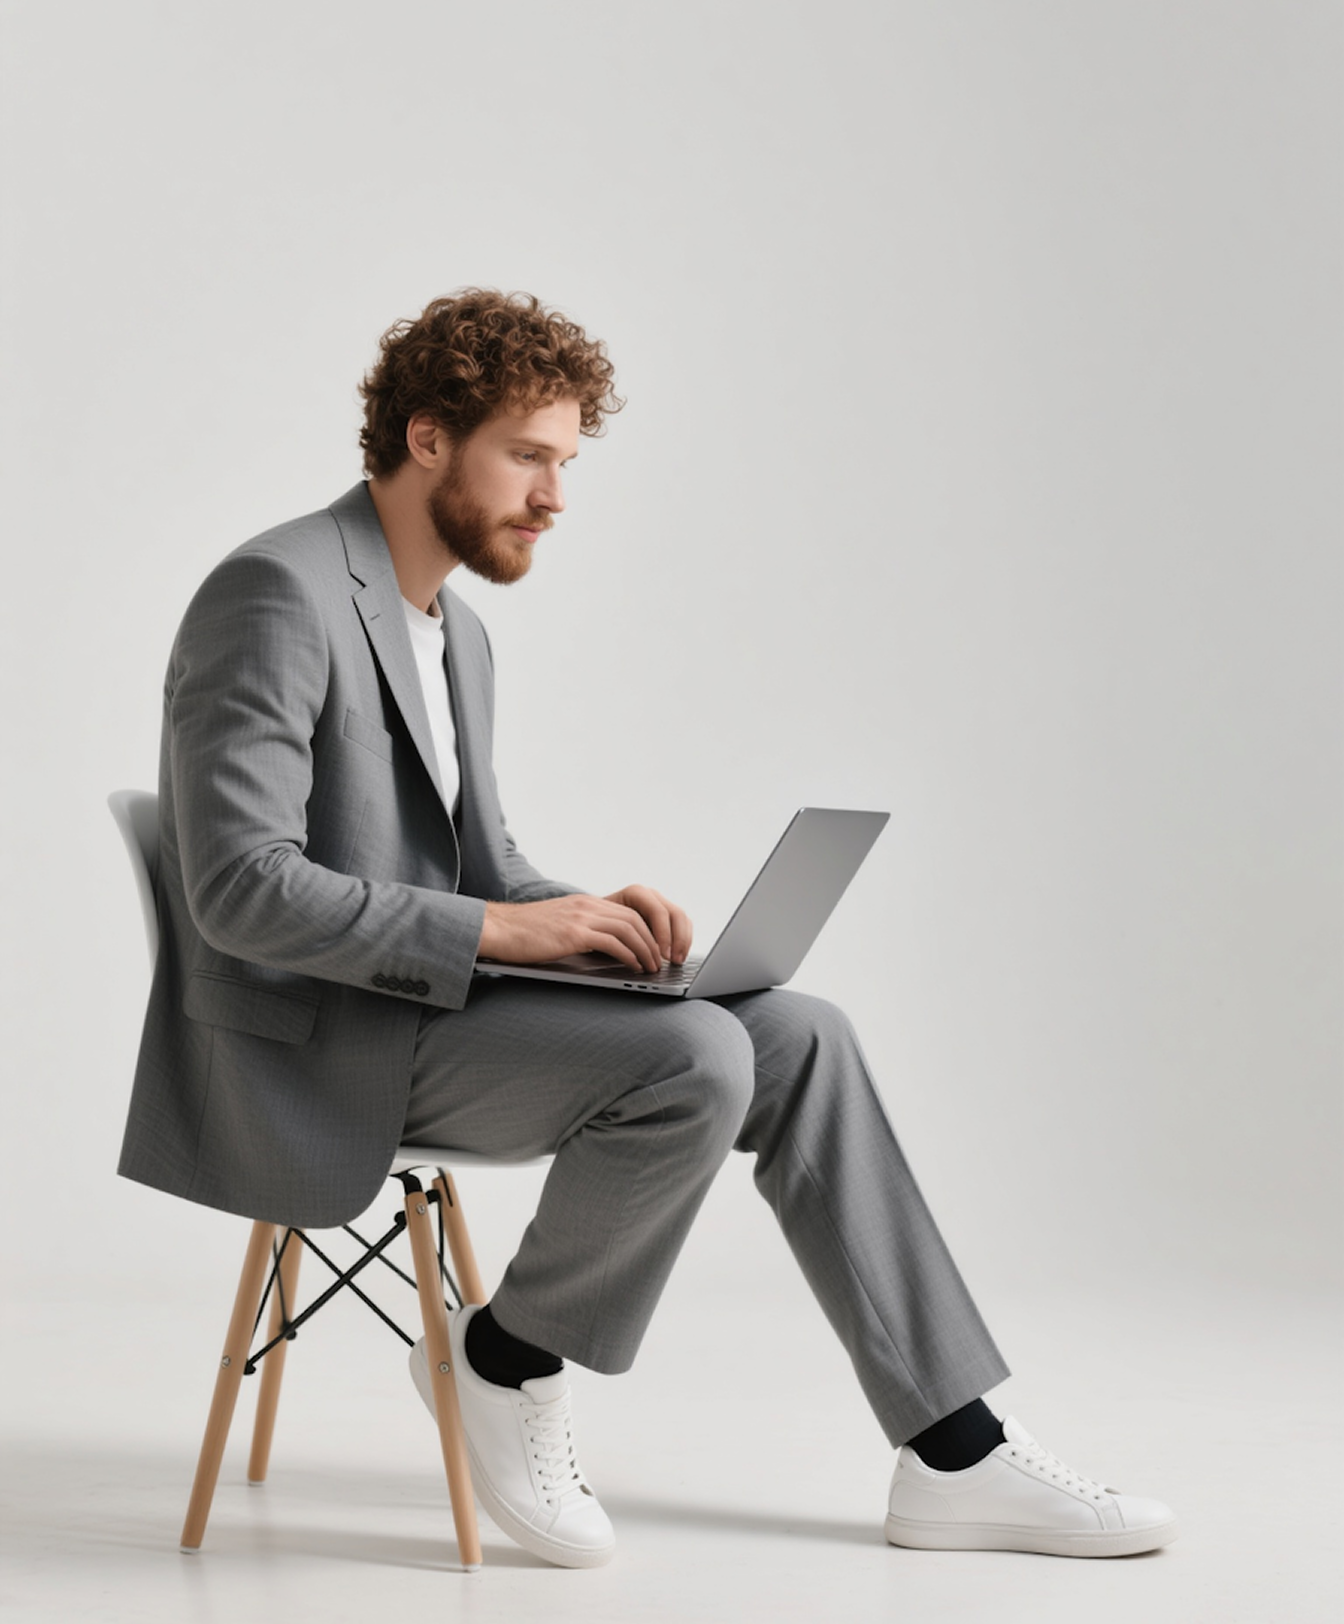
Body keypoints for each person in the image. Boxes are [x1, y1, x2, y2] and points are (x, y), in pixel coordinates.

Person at [119, 289, 1177, 1569]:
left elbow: (479, 864)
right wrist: (517, 937)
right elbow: (238, 889)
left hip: (421, 1006)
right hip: (317, 1046)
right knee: (697, 1061)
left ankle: (955, 1451)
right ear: (428, 439)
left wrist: (593, 916)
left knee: (796, 1035)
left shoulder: (458, 635)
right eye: (529, 454)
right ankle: (504, 1360)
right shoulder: (273, 594)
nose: (555, 496)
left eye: (567, 462)